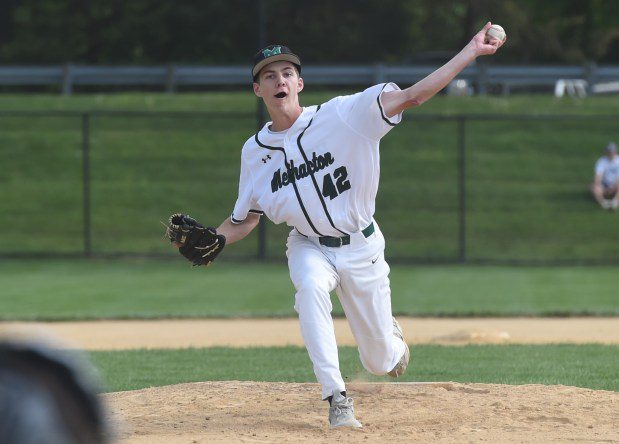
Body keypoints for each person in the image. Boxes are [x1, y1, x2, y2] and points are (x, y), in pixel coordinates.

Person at [191, 22, 505, 428]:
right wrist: (216, 237)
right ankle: (336, 396)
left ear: (299, 82)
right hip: (308, 245)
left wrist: (471, 51)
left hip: (362, 247)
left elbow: (414, 96)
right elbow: (247, 218)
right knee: (308, 289)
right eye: (269, 76)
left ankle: (389, 340)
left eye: (286, 73)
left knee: (380, 361)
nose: (279, 80)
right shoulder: (254, 152)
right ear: (258, 90)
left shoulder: (344, 115)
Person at [591, 141, 619, 210]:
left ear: (615, 151)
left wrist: (614, 185)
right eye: (609, 151)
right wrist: (598, 184)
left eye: (612, 151)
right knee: (594, 187)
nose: (611, 153)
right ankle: (603, 203)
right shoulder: (602, 161)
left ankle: (615, 201)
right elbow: (598, 175)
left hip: (616, 184)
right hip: (605, 184)